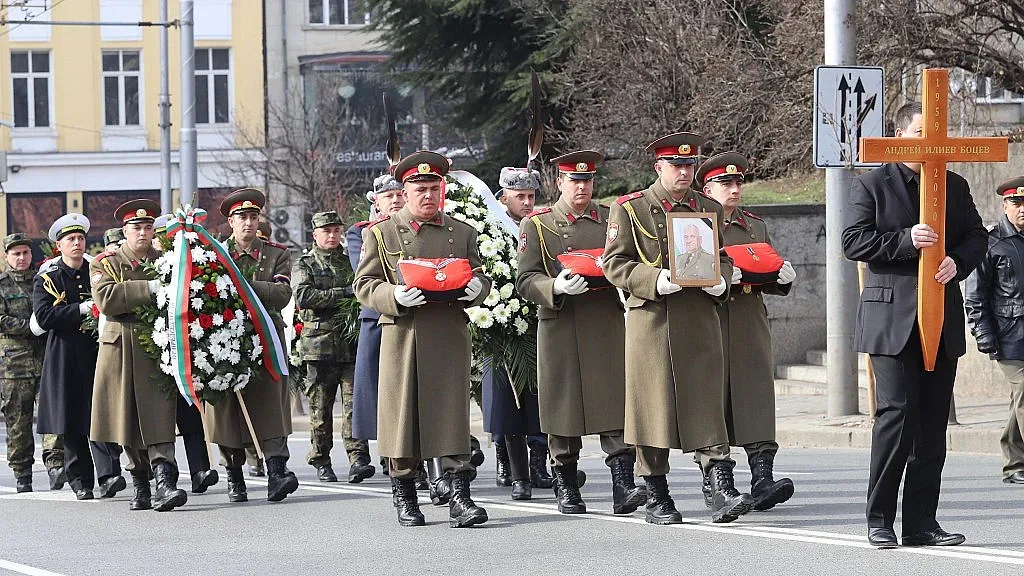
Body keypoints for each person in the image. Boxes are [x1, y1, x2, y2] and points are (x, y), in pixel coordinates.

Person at [842, 102, 986, 548]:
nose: (928, 142)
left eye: (934, 132)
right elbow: (853, 241)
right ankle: (879, 517)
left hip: (940, 320)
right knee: (897, 416)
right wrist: (906, 241)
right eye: (920, 132)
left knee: (931, 426)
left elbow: (977, 236)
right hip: (891, 320)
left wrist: (956, 262)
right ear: (901, 135)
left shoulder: (954, 185)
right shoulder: (872, 183)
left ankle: (921, 523)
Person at [603, 132, 751, 525]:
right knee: (652, 409)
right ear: (659, 168)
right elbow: (613, 264)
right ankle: (656, 493)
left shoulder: (707, 207)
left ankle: (721, 485)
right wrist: (652, 280)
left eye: (689, 165)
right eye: (676, 165)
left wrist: (723, 279)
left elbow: (720, 256)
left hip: (699, 318)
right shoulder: (631, 209)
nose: (684, 171)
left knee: (706, 402)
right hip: (653, 320)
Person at [354, 151, 491, 528]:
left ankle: (460, 498)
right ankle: (405, 496)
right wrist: (393, 296)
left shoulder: (461, 232)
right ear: (406, 190)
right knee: (402, 417)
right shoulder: (381, 233)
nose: (428, 196)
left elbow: (478, 275)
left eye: (434, 188)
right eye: (420, 189)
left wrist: (478, 288)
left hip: (448, 333)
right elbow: (363, 285)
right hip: (404, 335)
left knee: (450, 414)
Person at [516, 151, 646, 515]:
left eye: (587, 181)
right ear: (559, 183)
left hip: (605, 320)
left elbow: (630, 261)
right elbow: (524, 278)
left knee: (615, 402)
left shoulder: (610, 218)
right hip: (562, 324)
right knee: (564, 407)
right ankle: (566, 483)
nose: (582, 187)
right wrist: (553, 286)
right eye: (574, 180)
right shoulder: (538, 225)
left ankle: (624, 485)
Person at [695, 152, 796, 511]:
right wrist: (717, 276)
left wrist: (780, 280)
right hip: (710, 317)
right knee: (712, 401)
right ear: (707, 187)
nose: (735, 189)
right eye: (726, 184)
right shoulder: (695, 224)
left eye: (738, 183)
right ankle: (718, 480)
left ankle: (763, 477)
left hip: (749, 318)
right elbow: (686, 270)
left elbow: (764, 264)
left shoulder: (754, 225)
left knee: (755, 397)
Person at [90, 199, 189, 511]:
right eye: (137, 227)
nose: (143, 233)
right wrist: (150, 287)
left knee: (160, 412)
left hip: (155, 341)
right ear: (125, 231)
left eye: (148, 227)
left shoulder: (168, 260)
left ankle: (165, 479)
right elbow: (107, 300)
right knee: (126, 417)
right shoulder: (106, 263)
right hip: (118, 347)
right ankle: (140, 483)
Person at [204, 188, 299, 503]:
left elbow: (282, 294)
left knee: (270, 404)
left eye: (253, 217)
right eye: (241, 217)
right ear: (230, 221)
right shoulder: (215, 253)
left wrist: (240, 285)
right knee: (226, 408)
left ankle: (276, 471)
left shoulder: (276, 253)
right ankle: (234, 475)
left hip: (266, 338)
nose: (248, 223)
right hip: (224, 340)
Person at [34, 214, 126, 500]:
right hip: (64, 356)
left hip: (96, 351)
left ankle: (110, 475)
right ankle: (80, 480)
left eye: (80, 238)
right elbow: (45, 316)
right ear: (59, 245)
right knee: (71, 419)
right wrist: (82, 309)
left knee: (101, 414)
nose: (76, 243)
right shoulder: (48, 278)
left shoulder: (97, 271)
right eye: (70, 239)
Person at [482, 166, 550, 499]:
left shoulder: (538, 225)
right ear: (503, 196)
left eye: (531, 196)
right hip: (502, 321)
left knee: (539, 398)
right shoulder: (491, 226)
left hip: (535, 318)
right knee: (508, 399)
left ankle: (539, 465)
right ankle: (512, 468)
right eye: (520, 196)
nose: (526, 202)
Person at [293, 210, 374, 483]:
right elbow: (305, 296)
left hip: (351, 345)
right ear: (315, 234)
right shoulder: (304, 263)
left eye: (336, 230)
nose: (332, 235)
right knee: (320, 408)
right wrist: (344, 294)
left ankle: (358, 458)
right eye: (326, 231)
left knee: (354, 405)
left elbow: (364, 287)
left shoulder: (351, 261)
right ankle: (321, 459)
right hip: (318, 348)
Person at [965, 177, 1024, 485]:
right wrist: (984, 335)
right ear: (1005, 205)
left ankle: (1014, 464)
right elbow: (975, 296)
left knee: (1020, 397)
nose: (1023, 209)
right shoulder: (991, 243)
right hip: (1010, 335)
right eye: (1017, 203)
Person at [0, 234, 49, 492]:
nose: (21, 258)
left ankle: (56, 464)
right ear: (7, 256)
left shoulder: (44, 281)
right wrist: (30, 327)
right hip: (14, 366)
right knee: (18, 422)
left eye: (25, 253)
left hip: (46, 359)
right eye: (16, 254)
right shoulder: (1, 284)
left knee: (52, 415)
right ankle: (22, 474)